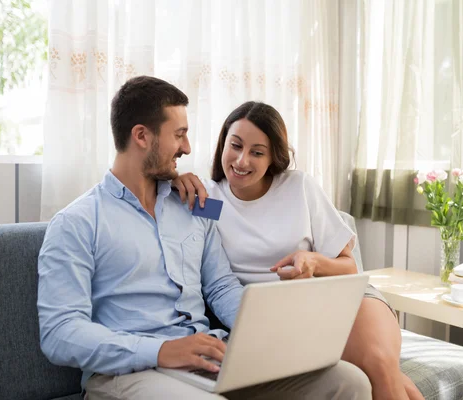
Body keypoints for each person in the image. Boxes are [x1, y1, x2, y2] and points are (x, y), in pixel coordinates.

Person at [37, 77, 372, 400]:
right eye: (179, 135)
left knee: (347, 383)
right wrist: (163, 350)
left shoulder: (195, 205)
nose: (187, 147)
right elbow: (60, 333)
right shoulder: (76, 222)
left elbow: (221, 286)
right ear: (141, 136)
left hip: (208, 358)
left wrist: (274, 333)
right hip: (127, 374)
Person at [175, 101, 425, 400]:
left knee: (379, 364)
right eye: (236, 146)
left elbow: (349, 268)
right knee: (378, 376)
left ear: (272, 157)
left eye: (257, 152)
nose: (242, 161)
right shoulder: (210, 200)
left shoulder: (298, 187)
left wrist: (313, 262)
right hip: (282, 318)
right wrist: (175, 179)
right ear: (223, 144)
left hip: (339, 295)